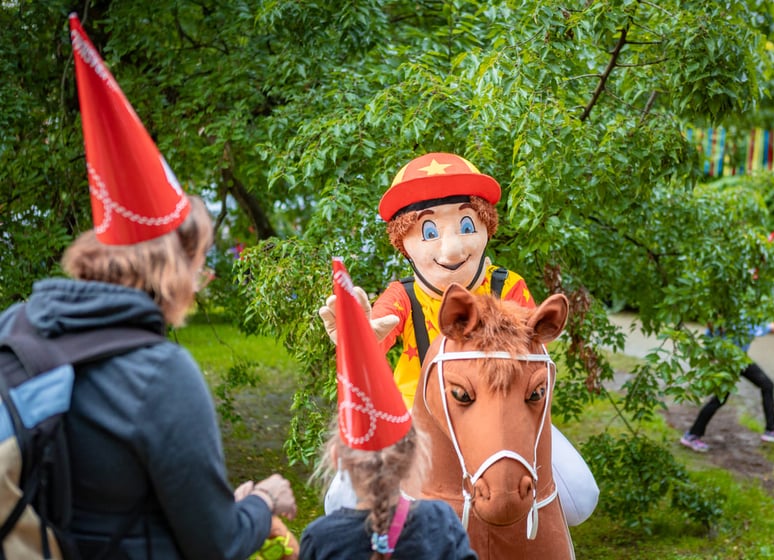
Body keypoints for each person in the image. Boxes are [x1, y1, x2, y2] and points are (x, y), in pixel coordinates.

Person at [0, 14, 298, 558]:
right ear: (173, 267)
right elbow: (215, 542)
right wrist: (263, 502)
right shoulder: (161, 374)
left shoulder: (14, 326)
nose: (201, 282)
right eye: (200, 264)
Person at [319, 152, 599, 527]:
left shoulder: (507, 286)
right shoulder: (402, 296)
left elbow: (535, 358)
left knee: (581, 496)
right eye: (430, 233)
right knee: (343, 502)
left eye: (466, 225)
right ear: (405, 243)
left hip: (502, 412)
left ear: (486, 227)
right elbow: (372, 349)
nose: (451, 249)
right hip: (417, 419)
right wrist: (356, 341)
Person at [300, 259, 476, 560]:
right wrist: (365, 334)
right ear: (416, 455)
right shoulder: (442, 523)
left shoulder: (321, 537)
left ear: (337, 458)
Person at [679, 322, 774, 453]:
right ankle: (692, 435)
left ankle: (771, 429)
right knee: (719, 399)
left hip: (740, 358)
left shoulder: (743, 308)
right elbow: (745, 327)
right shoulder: (732, 310)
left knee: (767, 385)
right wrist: (768, 328)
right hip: (729, 360)